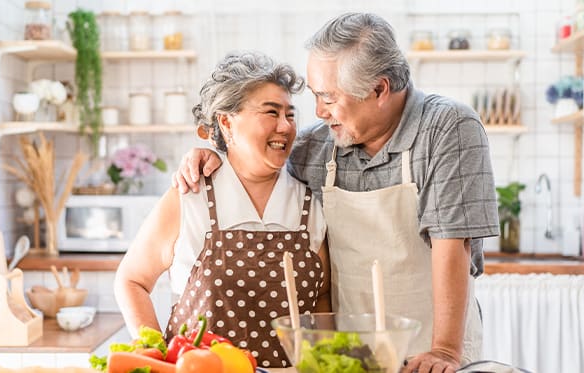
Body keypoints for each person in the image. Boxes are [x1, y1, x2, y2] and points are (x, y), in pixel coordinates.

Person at [172, 12, 499, 373]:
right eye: (315, 96)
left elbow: (454, 242)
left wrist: (445, 351)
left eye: (328, 98)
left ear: (379, 89)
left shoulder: (447, 128)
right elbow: (254, 155)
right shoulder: (315, 147)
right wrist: (212, 154)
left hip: (432, 354)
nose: (318, 112)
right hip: (350, 356)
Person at [114, 51, 331, 369]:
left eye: (290, 114)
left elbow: (321, 297)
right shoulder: (191, 194)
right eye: (271, 113)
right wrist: (158, 357)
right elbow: (131, 280)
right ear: (227, 122)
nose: (285, 126)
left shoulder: (308, 202)